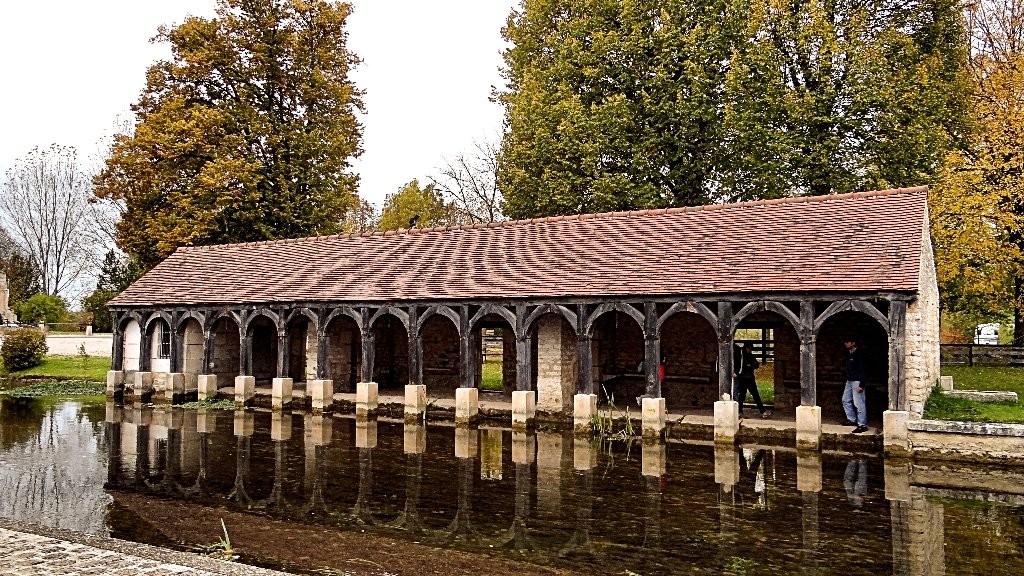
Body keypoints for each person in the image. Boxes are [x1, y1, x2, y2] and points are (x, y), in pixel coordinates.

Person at [733, 343, 772, 418]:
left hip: (749, 379)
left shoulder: (750, 355)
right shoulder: (741, 356)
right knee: (742, 396)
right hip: (743, 379)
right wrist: (749, 366)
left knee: (755, 395)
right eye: (749, 348)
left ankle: (762, 411)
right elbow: (742, 366)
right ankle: (740, 411)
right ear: (746, 348)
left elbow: (756, 364)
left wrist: (749, 366)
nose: (750, 350)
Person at [842, 339, 868, 433]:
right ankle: (852, 419)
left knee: (859, 403)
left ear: (853, 343)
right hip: (849, 380)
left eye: (848, 342)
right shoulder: (849, 353)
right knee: (845, 400)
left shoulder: (859, 354)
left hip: (857, 381)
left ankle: (862, 425)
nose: (846, 343)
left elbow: (863, 370)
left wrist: (862, 384)